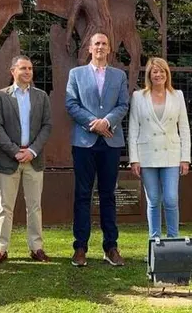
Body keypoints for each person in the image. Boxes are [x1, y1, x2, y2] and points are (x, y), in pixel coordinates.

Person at [65, 32, 129, 267]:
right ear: (89, 48)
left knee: (108, 195)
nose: (100, 47)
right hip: (84, 142)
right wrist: (94, 123)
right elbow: (71, 103)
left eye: (104, 44)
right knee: (82, 194)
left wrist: (107, 122)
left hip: (111, 142)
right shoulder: (76, 74)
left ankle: (110, 247)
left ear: (109, 49)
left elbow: (123, 104)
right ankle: (80, 247)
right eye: (97, 44)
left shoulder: (119, 75)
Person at [0, 55, 53, 266]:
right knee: (5, 206)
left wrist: (32, 150)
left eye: (30, 68)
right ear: (13, 71)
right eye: (23, 68)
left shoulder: (41, 96)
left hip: (34, 159)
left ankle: (36, 247)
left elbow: (47, 126)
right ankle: (1, 249)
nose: (27, 72)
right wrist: (15, 151)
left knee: (35, 206)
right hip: (9, 159)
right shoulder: (1, 96)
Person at [128, 57, 191, 239]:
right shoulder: (138, 96)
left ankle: (173, 238)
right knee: (154, 199)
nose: (158, 75)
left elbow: (184, 128)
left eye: (162, 71)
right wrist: (134, 159)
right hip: (147, 155)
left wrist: (185, 158)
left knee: (171, 198)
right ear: (149, 75)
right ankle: (154, 240)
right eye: (155, 71)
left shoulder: (177, 95)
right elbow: (133, 128)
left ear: (167, 74)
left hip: (171, 154)